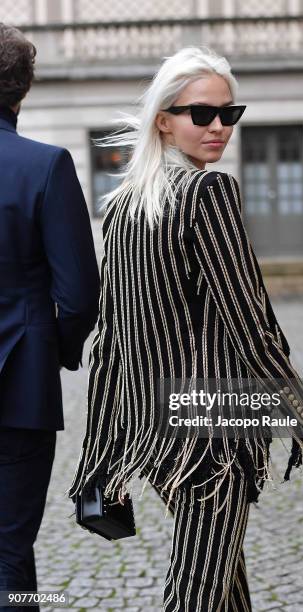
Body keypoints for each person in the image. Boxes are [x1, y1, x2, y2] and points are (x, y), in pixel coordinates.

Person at [67, 46, 303, 611]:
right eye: (202, 114)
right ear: (164, 120)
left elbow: (112, 345)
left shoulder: (127, 206)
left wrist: (104, 449)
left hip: (158, 436)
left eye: (230, 113)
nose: (219, 127)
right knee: (198, 595)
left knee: (223, 584)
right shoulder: (208, 193)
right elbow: (254, 333)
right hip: (212, 440)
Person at [0, 23, 100, 611]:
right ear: (23, 89)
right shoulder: (45, 166)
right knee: (10, 550)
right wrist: (58, 349)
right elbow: (81, 293)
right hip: (19, 386)